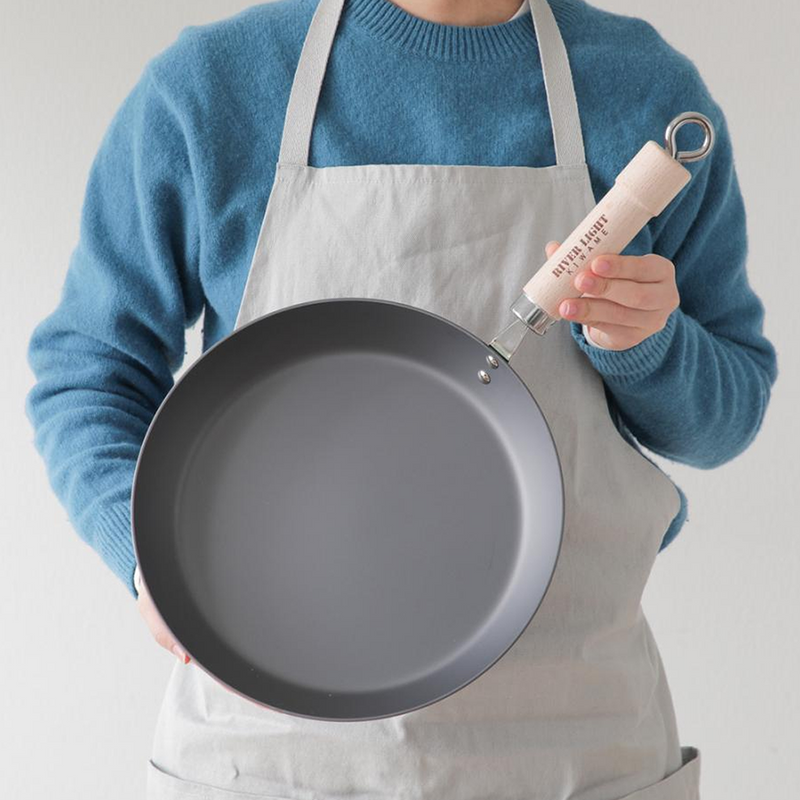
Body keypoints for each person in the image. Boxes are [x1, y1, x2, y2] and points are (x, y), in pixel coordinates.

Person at [25, 0, 778, 798]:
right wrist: (148, 558)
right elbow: (90, 372)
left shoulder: (640, 88)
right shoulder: (214, 89)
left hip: (571, 742)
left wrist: (649, 343)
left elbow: (724, 420)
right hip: (273, 744)